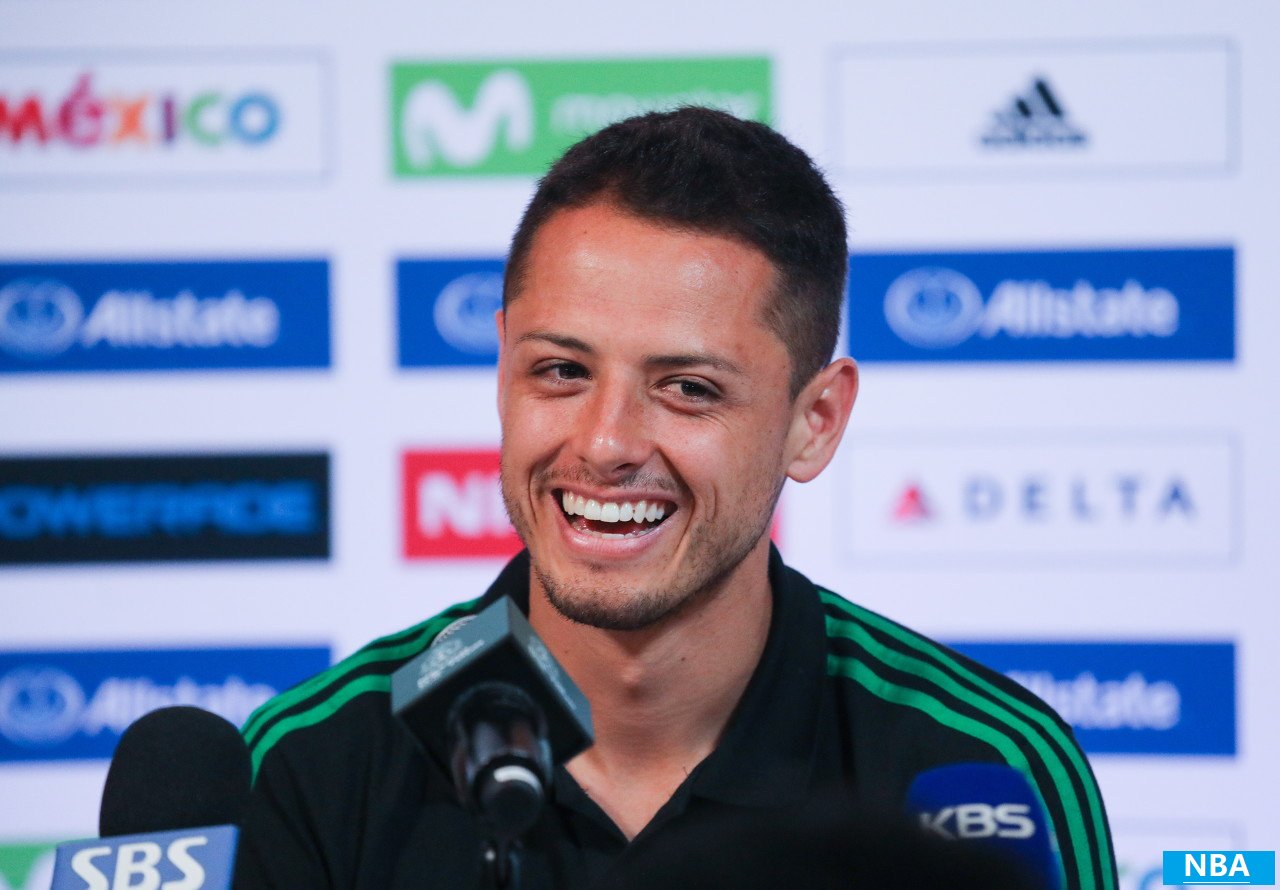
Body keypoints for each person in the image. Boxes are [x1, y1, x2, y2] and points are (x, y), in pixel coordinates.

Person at [233, 107, 1116, 889]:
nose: (605, 443)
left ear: (814, 422)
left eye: (689, 389)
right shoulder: (310, 767)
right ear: (502, 368)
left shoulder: (985, 771)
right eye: (561, 371)